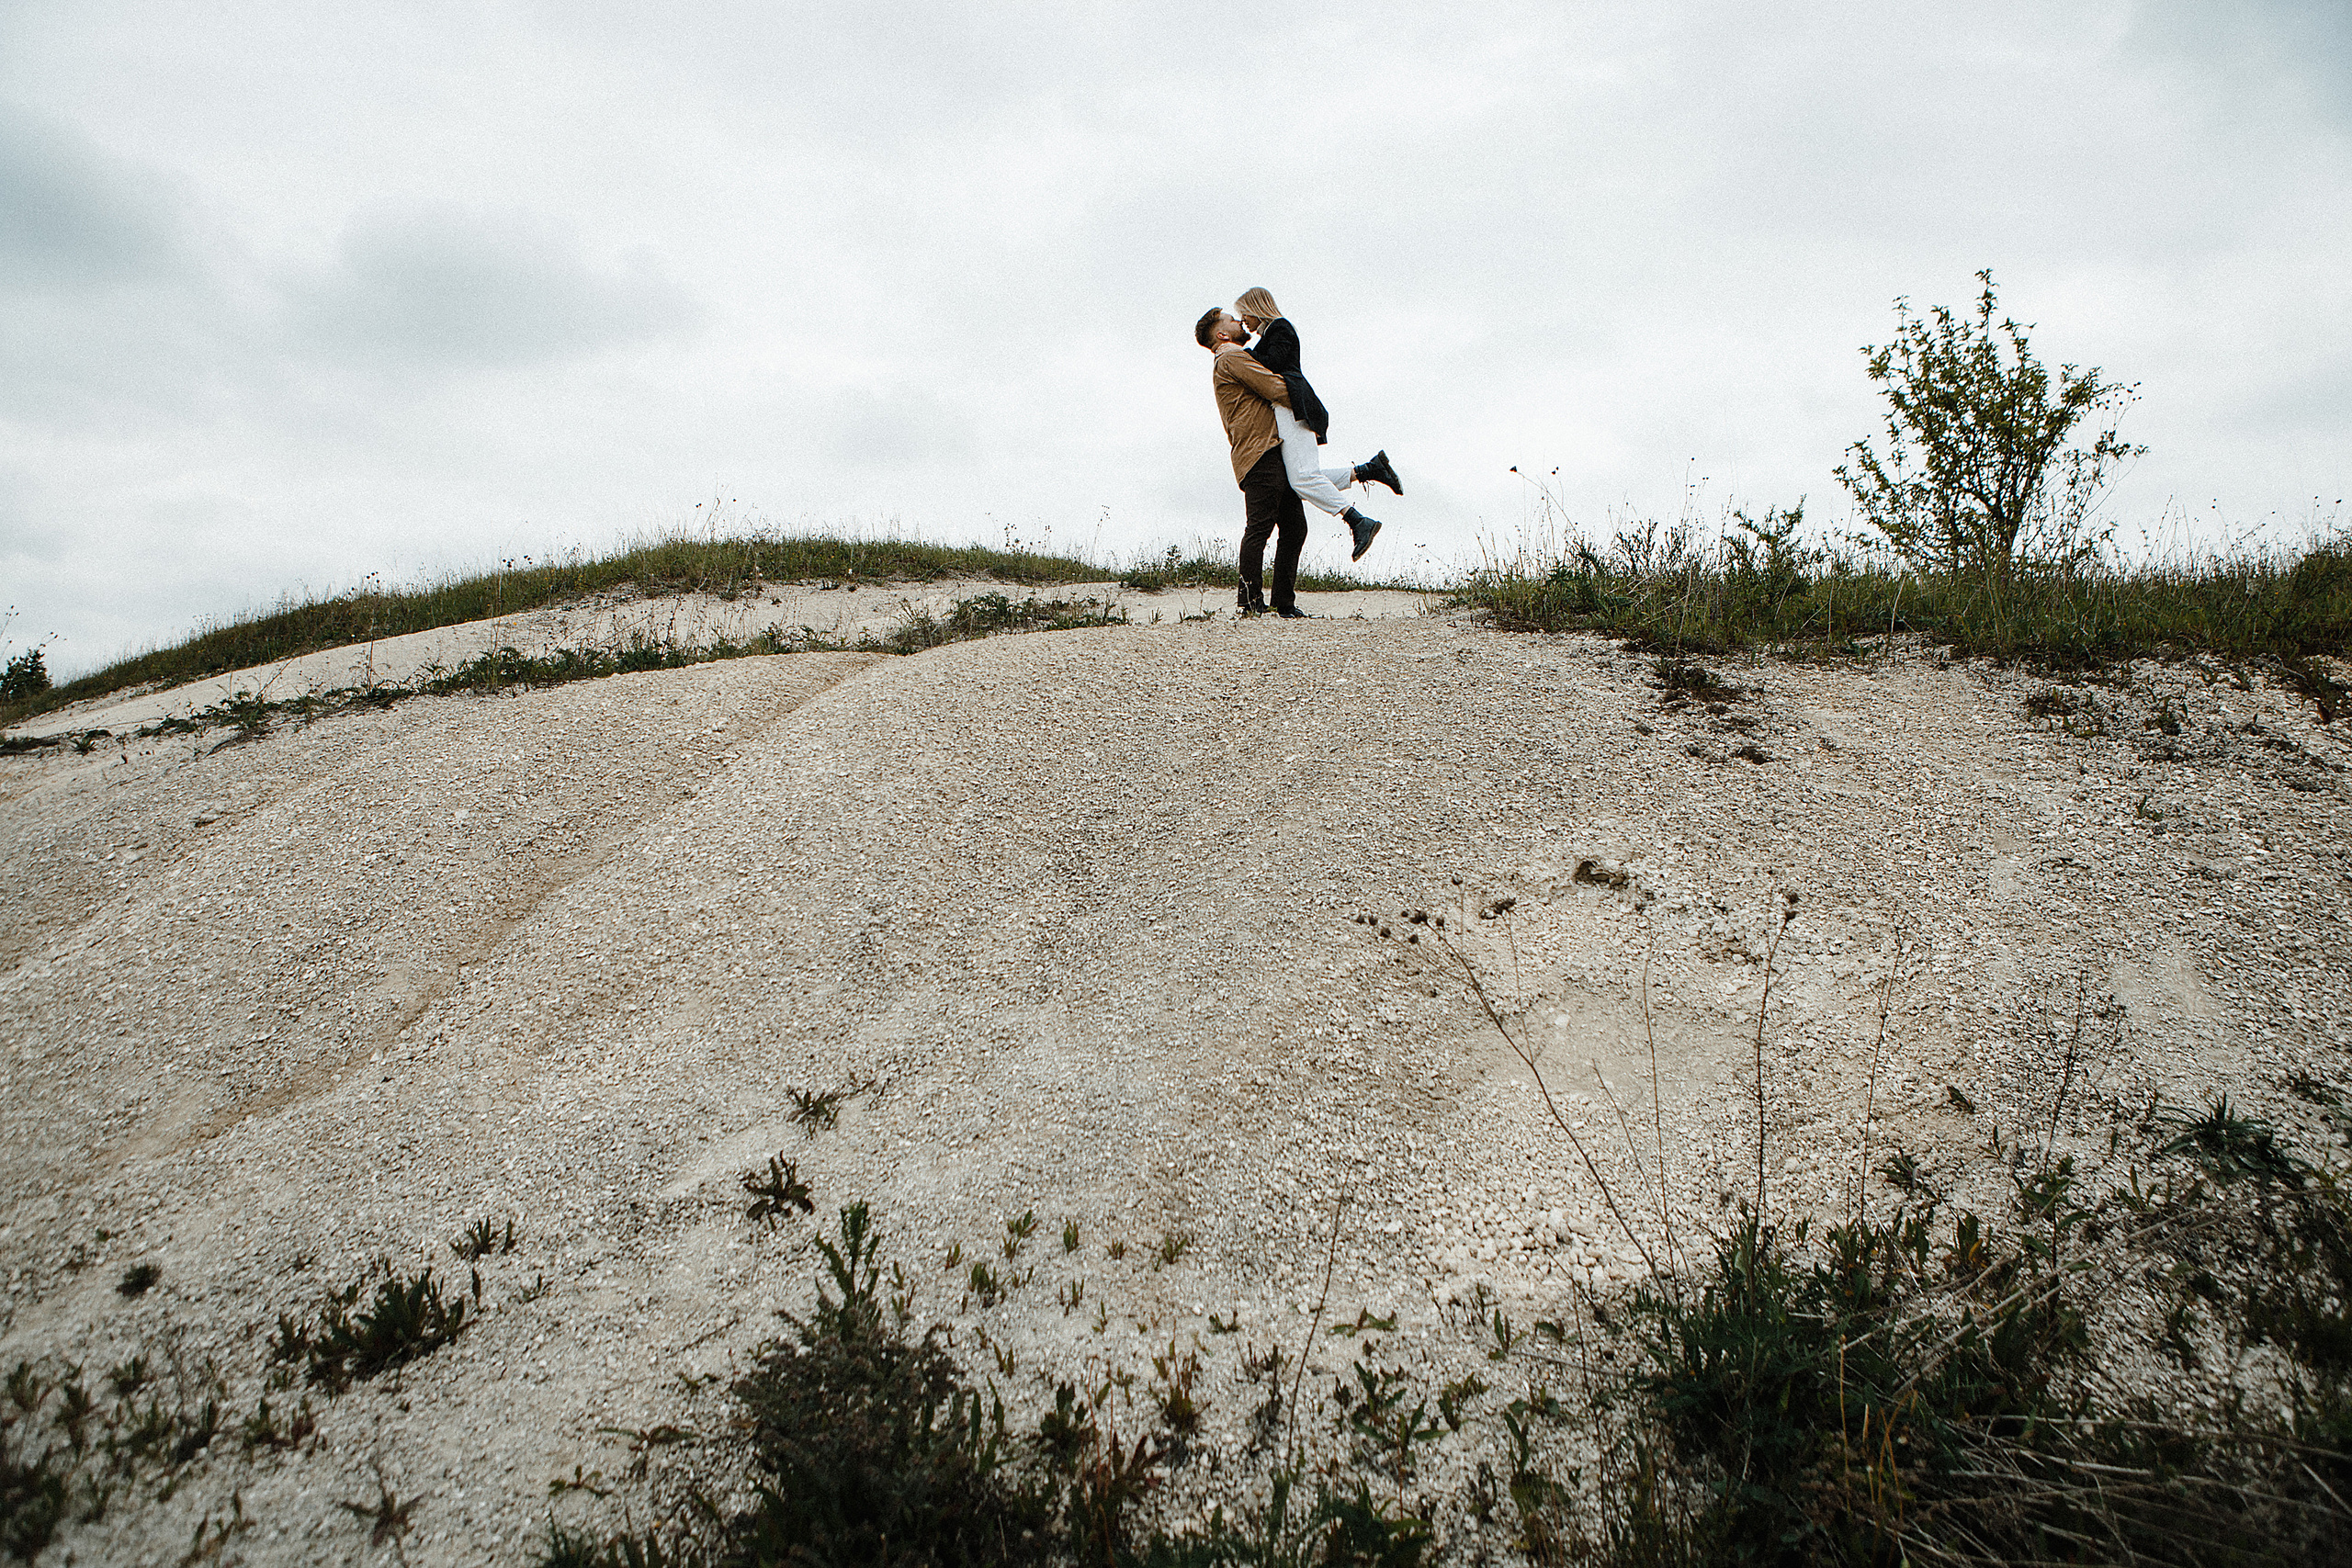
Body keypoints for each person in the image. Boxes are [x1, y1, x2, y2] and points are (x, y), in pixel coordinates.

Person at [1194, 307, 1399, 618]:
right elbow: (1274, 387)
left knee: (1294, 527)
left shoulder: (1234, 358)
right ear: (1222, 334)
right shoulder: (1231, 357)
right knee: (1260, 527)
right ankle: (1250, 603)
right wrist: (1308, 402)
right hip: (1258, 454)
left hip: (1270, 450)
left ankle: (1284, 603)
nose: (1238, 322)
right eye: (1232, 321)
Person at [1233, 287, 1401, 566]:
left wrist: (1243, 356)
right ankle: (1370, 470)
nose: (1244, 323)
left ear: (1255, 308)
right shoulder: (1272, 333)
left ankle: (1357, 520)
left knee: (1301, 479)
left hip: (1293, 407)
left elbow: (1270, 364)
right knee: (1300, 481)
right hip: (1289, 408)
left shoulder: (1280, 328)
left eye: (1244, 315)